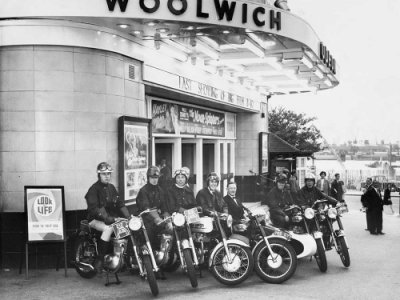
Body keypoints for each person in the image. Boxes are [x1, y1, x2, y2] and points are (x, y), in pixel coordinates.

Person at [85, 162, 130, 275]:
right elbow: (95, 208)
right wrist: (107, 218)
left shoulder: (111, 188)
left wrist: (128, 216)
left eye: (109, 174)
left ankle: (121, 260)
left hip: (111, 218)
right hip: (95, 220)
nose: (107, 176)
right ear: (99, 175)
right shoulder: (93, 189)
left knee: (126, 229)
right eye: (104, 174)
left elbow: (120, 203)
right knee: (108, 229)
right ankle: (99, 261)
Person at [136, 166, 172, 278]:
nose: (154, 179)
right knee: (149, 236)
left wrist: (167, 218)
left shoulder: (161, 190)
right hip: (146, 219)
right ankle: (148, 264)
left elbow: (165, 207)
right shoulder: (143, 191)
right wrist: (157, 219)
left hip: (158, 219)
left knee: (170, 231)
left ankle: (166, 258)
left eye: (156, 177)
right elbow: (146, 208)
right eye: (152, 177)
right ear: (148, 177)